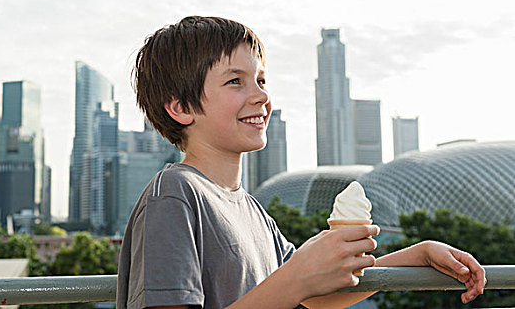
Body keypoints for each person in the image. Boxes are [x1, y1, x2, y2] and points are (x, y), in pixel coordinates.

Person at [116, 16, 486, 309]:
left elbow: (315, 296)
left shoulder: (250, 209)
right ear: (180, 107)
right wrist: (296, 277)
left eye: (261, 79)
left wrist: (417, 254)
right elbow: (295, 284)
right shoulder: (174, 196)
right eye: (235, 81)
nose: (261, 95)